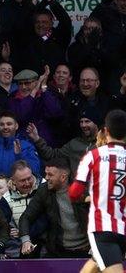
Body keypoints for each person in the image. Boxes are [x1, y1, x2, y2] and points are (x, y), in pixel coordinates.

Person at [69, 109, 126, 273]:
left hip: (102, 228)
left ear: (106, 131)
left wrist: (90, 196)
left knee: (104, 266)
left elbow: (74, 193)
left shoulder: (93, 156)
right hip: (122, 228)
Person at [19, 158, 89, 258]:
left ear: (63, 177)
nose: (46, 178)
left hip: (86, 250)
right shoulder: (44, 190)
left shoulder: (83, 189)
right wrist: (26, 241)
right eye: (46, 174)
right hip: (59, 251)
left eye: (50, 175)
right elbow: (26, 217)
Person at [17, 0, 72, 73]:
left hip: (54, 85)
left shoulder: (59, 38)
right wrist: (34, 1)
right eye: (37, 22)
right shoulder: (28, 38)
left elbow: (65, 21)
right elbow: (24, 21)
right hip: (32, 85)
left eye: (44, 22)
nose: (40, 25)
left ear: (52, 22)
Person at [0, 111, 41, 188]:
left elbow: (35, 173)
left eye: (9, 124)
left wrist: (19, 157)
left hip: (20, 191)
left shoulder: (26, 146)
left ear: (16, 126)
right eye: (2, 124)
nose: (5, 127)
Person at [27, 107, 100, 174]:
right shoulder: (74, 143)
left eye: (87, 121)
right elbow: (52, 155)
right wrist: (37, 139)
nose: (83, 125)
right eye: (81, 122)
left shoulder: (104, 144)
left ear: (96, 123)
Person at [8, 67, 63, 147]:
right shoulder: (13, 99)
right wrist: (32, 94)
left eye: (27, 83)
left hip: (45, 145)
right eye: (20, 84)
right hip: (23, 146)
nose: (23, 87)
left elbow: (55, 112)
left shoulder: (45, 95)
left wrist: (43, 87)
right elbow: (21, 116)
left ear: (36, 82)